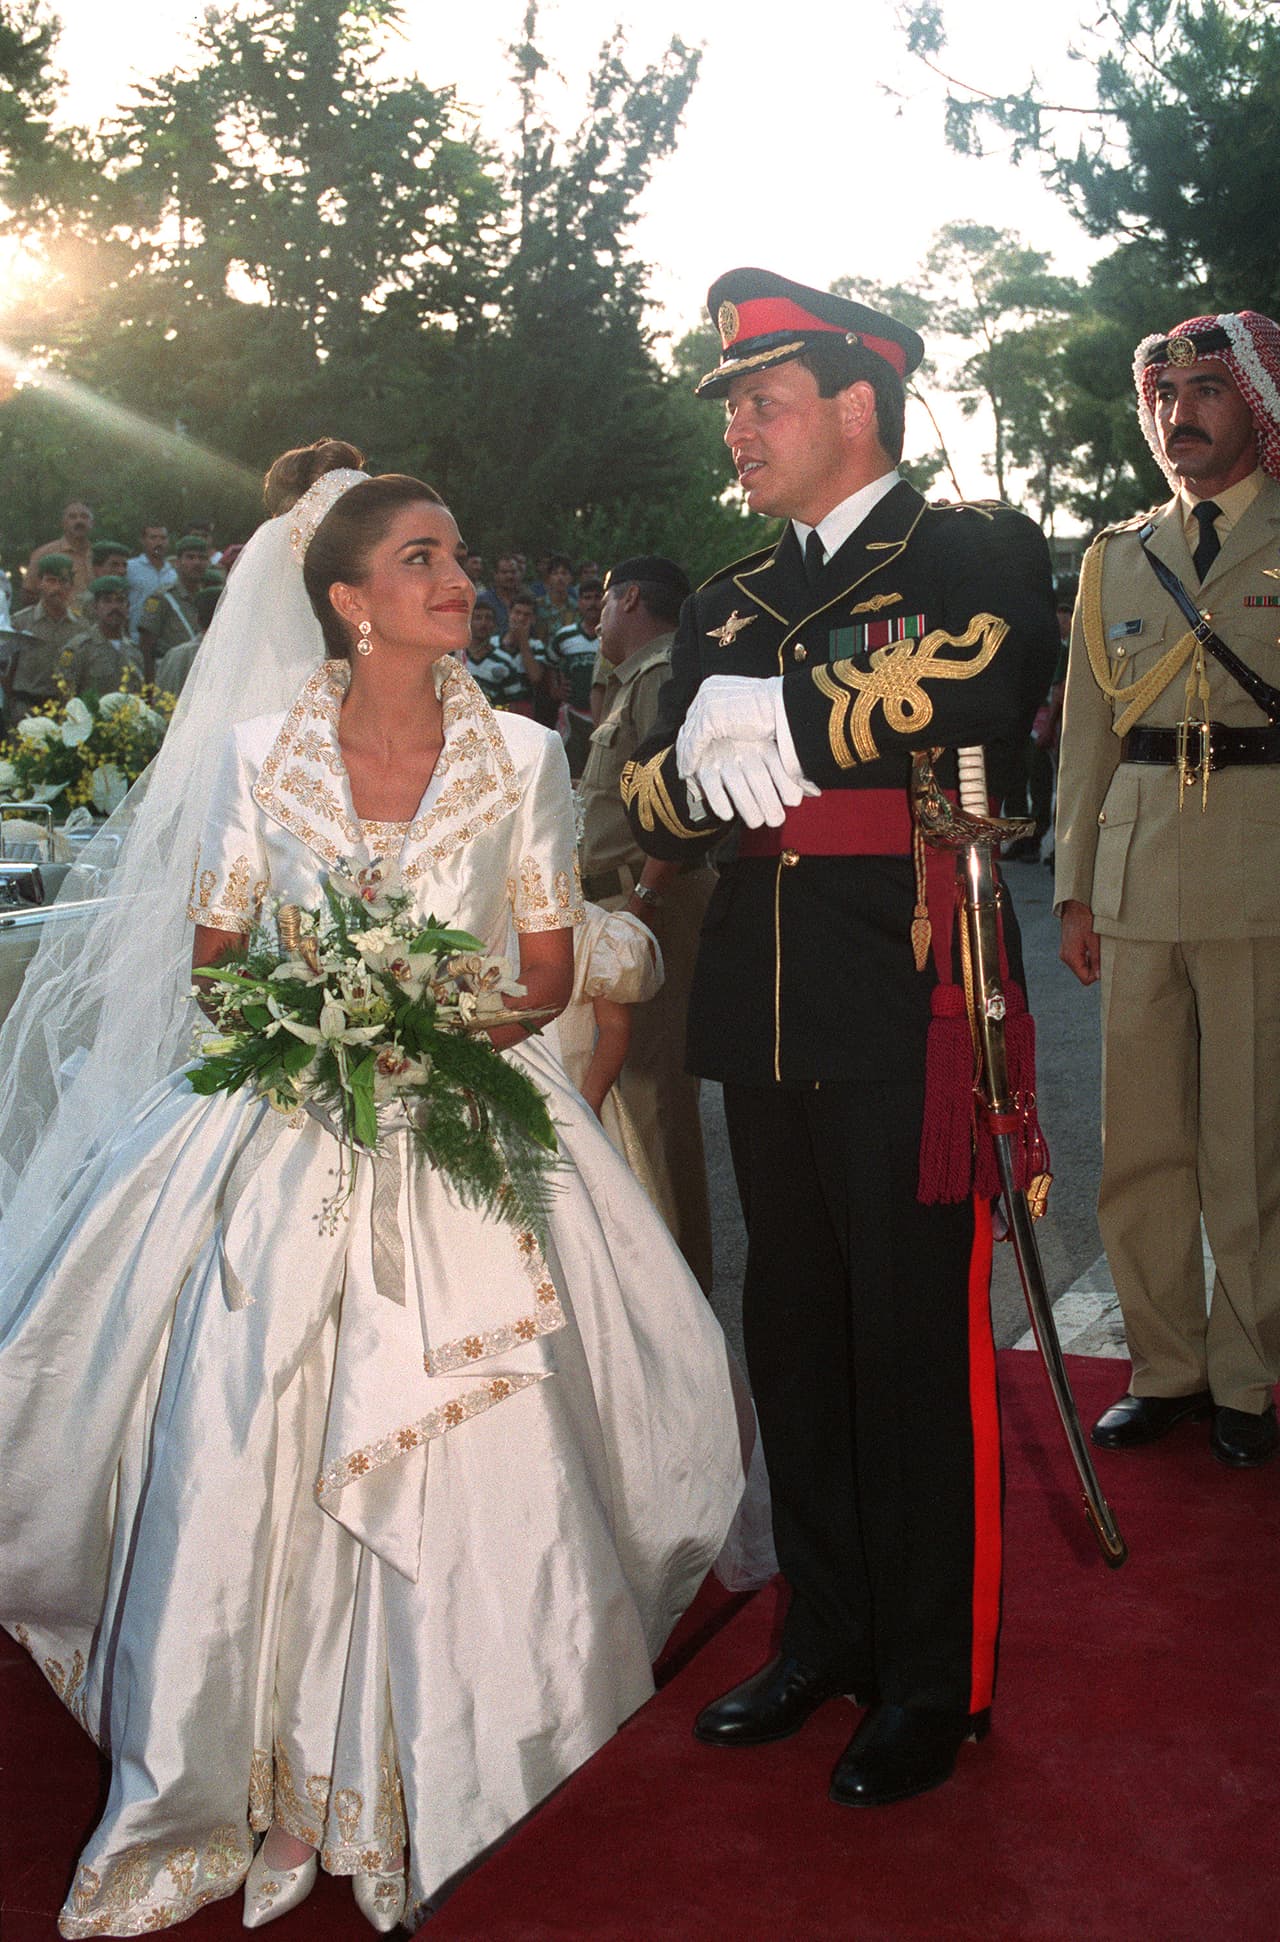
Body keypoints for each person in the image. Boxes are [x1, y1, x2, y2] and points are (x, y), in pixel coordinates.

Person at [0, 442, 746, 1934]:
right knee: (249, 1435)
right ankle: (257, 1784)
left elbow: (543, 971)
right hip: (285, 1123)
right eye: (420, 558)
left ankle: (447, 1766)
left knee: (479, 1450)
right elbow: (218, 960)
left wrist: (416, 1016)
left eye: (458, 554)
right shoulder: (254, 747)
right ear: (347, 599)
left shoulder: (528, 755)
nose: (457, 580)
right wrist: (325, 1005)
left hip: (469, 1121)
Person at [623, 268, 1057, 1804]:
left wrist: (785, 717)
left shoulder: (967, 549)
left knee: (911, 1347)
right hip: (766, 989)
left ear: (858, 402)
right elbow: (653, 785)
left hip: (907, 993)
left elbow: (988, 683)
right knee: (794, 1331)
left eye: (764, 399)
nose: (737, 425)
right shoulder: (732, 594)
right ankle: (823, 1627)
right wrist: (715, 747)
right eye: (733, 404)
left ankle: (931, 1674)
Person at [1055, 309, 1280, 1469]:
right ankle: (1166, 1370)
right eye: (1162, 394)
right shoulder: (1114, 555)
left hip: (1260, 865)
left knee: (1249, 1143)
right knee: (1139, 1142)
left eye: (1204, 388)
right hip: (1139, 869)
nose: (1178, 413)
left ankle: (1248, 1379)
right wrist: (1074, 888)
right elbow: (1087, 735)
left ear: (1253, 400)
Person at [579, 555, 716, 1293]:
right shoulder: (634, 679)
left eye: (602, 602)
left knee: (655, 1096)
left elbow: (686, 792)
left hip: (649, 903)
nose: (595, 618)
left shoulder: (664, 674)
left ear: (628, 597)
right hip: (622, 904)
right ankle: (646, 1280)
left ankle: (681, 1292)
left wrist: (646, 901)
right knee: (626, 1093)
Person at [551, 899, 665, 1205]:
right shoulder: (482, 922)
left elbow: (614, 1027)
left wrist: (589, 1102)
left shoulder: (592, 928)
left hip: (579, 1089)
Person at [4, 555, 87, 723]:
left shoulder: (82, 628)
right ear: (39, 583)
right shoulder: (20, 623)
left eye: (63, 581)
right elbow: (5, 671)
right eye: (51, 580)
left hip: (67, 714)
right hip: (26, 710)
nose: (57, 588)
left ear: (71, 586)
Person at [545, 574, 604, 777]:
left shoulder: (612, 635)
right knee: (571, 769)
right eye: (587, 598)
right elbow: (550, 663)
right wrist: (555, 687)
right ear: (579, 602)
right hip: (573, 714)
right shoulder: (565, 635)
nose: (592, 603)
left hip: (605, 715)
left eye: (597, 597)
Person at [138, 533, 208, 682]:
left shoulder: (208, 598)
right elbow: (146, 645)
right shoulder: (161, 598)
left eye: (202, 558)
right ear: (177, 562)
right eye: (190, 557)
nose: (196, 563)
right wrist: (149, 688)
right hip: (172, 675)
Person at [66, 575, 146, 692]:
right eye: (107, 601)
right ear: (95, 607)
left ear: (128, 607)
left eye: (120, 600)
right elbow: (66, 696)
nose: (114, 607)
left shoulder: (134, 651)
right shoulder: (80, 649)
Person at [24, 500, 94, 603]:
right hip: (61, 617)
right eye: (72, 517)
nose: (79, 521)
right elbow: (29, 593)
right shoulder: (44, 553)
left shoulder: (99, 555)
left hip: (95, 618)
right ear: (64, 524)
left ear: (91, 523)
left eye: (84, 517)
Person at [126, 522, 177, 631]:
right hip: (135, 636)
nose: (159, 542)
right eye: (153, 538)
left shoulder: (173, 574)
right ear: (143, 541)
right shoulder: (130, 568)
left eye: (163, 538)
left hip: (166, 640)